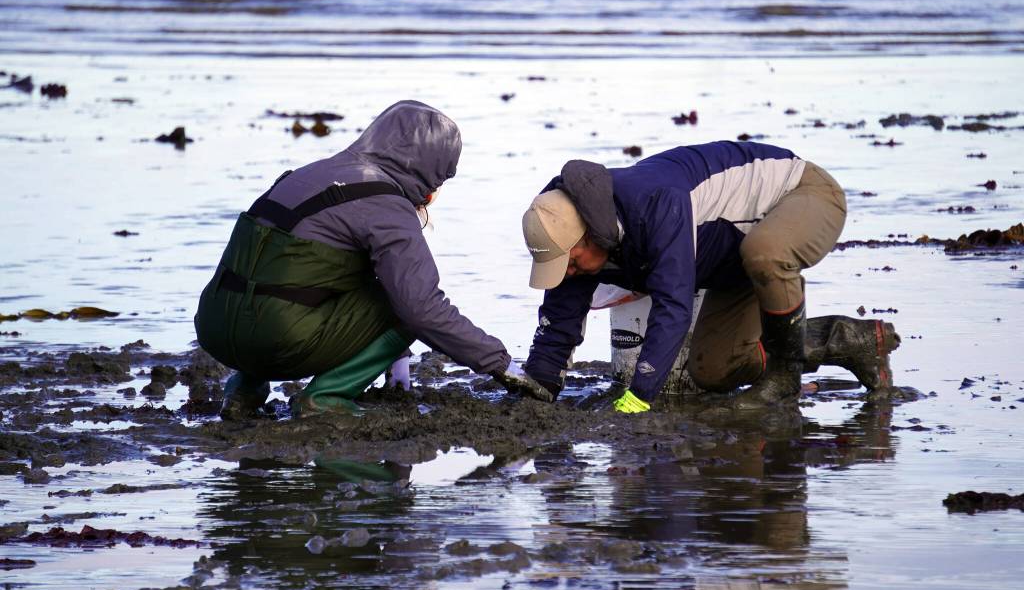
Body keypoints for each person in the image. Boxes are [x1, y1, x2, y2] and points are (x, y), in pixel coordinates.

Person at [194, 100, 527, 419]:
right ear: (427, 169)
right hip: (277, 338)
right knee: (411, 302)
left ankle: (242, 392)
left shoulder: (306, 174)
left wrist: (398, 365)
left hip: (215, 328)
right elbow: (420, 308)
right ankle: (325, 398)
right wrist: (501, 366)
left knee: (272, 287)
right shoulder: (386, 202)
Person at [518, 140, 900, 413]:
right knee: (714, 370)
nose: (567, 273)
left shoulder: (654, 202)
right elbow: (558, 328)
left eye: (569, 261)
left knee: (766, 254)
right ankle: (854, 341)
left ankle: (783, 383)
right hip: (729, 258)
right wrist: (536, 391)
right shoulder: (573, 231)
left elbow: (674, 306)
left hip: (800, 195)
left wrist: (638, 395)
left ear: (589, 234)